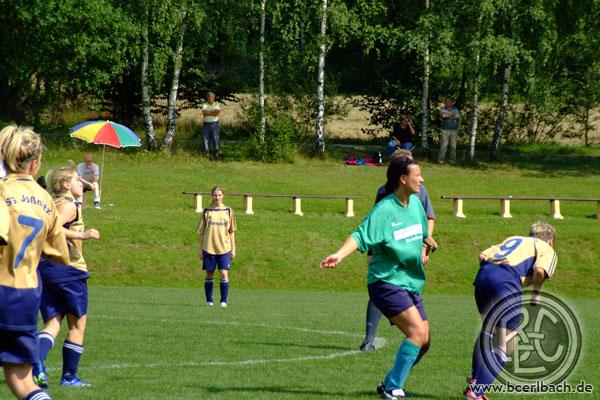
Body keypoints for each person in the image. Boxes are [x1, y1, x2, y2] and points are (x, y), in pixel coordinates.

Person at [321, 156, 434, 399]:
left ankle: (390, 383)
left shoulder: (415, 204)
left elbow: (420, 232)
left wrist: (427, 243)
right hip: (386, 281)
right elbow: (360, 235)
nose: (422, 179)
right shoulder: (384, 209)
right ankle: (393, 388)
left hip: (409, 282)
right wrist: (339, 255)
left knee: (424, 341)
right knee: (416, 333)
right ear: (403, 179)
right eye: (417, 175)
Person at [0, 125, 70, 400]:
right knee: (22, 381)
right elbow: (60, 253)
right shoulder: (46, 200)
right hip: (26, 295)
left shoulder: (2, 191)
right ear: (35, 163)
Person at [464, 222, 557, 400]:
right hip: (506, 281)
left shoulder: (515, 239)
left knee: (488, 331)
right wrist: (536, 293)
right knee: (506, 344)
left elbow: (482, 255)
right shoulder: (546, 248)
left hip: (483, 276)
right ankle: (476, 393)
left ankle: (475, 379)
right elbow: (539, 270)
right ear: (551, 241)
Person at [360, 149, 437, 353]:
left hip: (409, 255)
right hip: (385, 255)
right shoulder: (384, 193)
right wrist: (371, 253)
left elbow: (429, 219)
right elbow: (375, 226)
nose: (419, 177)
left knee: (421, 334)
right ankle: (369, 339)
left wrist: (424, 247)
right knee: (380, 286)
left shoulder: (419, 192)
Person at [32, 166, 100, 388]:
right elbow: (52, 228)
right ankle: (69, 377)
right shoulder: (69, 205)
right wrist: (83, 234)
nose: (82, 183)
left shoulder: (52, 203)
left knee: (52, 323)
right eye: (78, 180)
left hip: (46, 268)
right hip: (68, 270)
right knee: (77, 325)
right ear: (66, 185)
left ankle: (36, 359)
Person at [197, 186, 236, 307]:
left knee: (223, 273)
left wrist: (233, 249)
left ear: (223, 196)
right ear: (212, 196)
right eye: (215, 195)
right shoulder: (207, 211)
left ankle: (223, 301)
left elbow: (232, 231)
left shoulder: (228, 211)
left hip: (224, 248)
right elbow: (202, 232)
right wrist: (200, 249)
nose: (217, 197)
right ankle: (209, 301)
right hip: (209, 248)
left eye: (219, 195)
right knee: (209, 274)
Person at [437, 97, 460, 164]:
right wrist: (451, 115)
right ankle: (440, 160)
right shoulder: (442, 110)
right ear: (445, 103)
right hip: (444, 130)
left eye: (449, 101)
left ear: (451, 102)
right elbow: (443, 116)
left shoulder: (455, 109)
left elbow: (457, 117)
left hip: (454, 130)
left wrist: (448, 115)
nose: (448, 103)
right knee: (443, 145)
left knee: (453, 146)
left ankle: (452, 161)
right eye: (446, 101)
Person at [202, 92, 221, 161]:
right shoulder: (204, 104)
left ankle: (216, 156)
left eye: (211, 97)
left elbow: (217, 113)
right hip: (206, 125)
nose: (210, 99)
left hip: (214, 124)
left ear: (214, 98)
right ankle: (207, 156)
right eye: (209, 97)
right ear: (207, 98)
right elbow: (204, 113)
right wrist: (212, 112)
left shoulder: (217, 104)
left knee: (215, 140)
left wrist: (208, 112)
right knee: (206, 140)